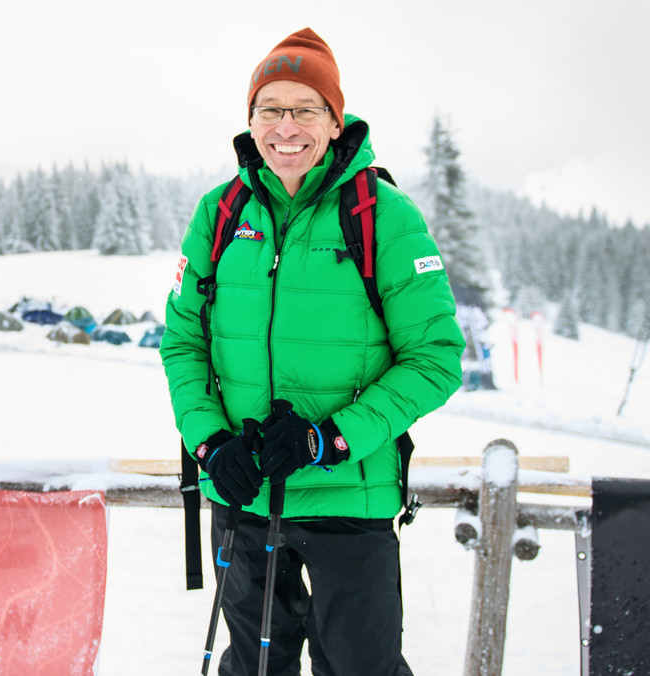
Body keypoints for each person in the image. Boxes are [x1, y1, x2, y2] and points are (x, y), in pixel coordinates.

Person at [159, 28, 465, 676]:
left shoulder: (382, 214)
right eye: (270, 108)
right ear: (250, 119)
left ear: (334, 118)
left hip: (349, 505)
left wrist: (330, 440)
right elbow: (183, 342)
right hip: (243, 497)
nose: (286, 125)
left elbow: (436, 357)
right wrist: (210, 444)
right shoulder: (219, 213)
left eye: (305, 108)